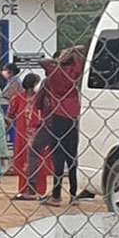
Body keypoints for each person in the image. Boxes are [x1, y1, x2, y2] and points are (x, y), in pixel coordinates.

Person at [25, 46, 85, 206]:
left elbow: (42, 62)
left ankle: (56, 195)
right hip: (72, 117)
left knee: (57, 157)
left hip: (56, 117)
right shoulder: (74, 73)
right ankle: (73, 195)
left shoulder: (52, 74)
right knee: (72, 157)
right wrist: (71, 51)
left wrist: (58, 60)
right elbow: (79, 56)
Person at [7, 73, 51, 198]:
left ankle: (40, 191)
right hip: (22, 135)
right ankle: (24, 190)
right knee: (22, 162)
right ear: (32, 85)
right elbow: (10, 115)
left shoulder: (42, 98)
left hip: (38, 134)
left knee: (40, 163)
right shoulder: (17, 98)